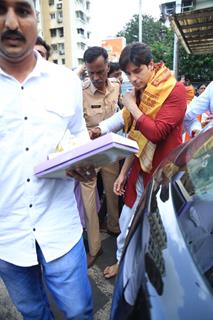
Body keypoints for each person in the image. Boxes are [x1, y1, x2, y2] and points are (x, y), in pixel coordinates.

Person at [0, 1, 93, 318]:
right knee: (32, 314)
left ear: (36, 19)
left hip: (60, 227)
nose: (11, 23)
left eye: (22, 11)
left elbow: (78, 134)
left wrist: (83, 161)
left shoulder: (64, 81)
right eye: (0, 10)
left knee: (79, 312)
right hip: (6, 236)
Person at [90, 42, 187, 278]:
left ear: (151, 65)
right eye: (128, 73)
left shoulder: (174, 91)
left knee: (158, 228)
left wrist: (132, 105)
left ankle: (153, 273)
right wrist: (98, 131)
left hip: (165, 174)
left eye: (137, 71)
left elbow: (155, 132)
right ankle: (123, 263)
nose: (132, 78)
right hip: (140, 169)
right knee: (127, 222)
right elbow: (128, 127)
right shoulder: (141, 93)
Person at [80, 46, 121, 268]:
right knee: (88, 201)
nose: (96, 78)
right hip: (88, 152)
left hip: (111, 151)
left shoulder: (117, 86)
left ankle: (114, 226)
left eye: (100, 72)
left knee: (114, 191)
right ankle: (94, 247)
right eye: (90, 73)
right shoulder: (80, 92)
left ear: (107, 67)